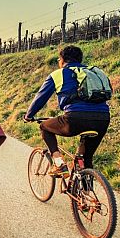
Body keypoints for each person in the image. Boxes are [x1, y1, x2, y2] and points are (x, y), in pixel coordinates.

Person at [23, 45, 110, 177]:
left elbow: (40, 98)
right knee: (86, 159)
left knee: (44, 127)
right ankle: (85, 193)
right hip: (102, 119)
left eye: (59, 59)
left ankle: (58, 164)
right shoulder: (95, 72)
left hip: (74, 119)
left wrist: (29, 115)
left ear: (62, 60)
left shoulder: (58, 74)